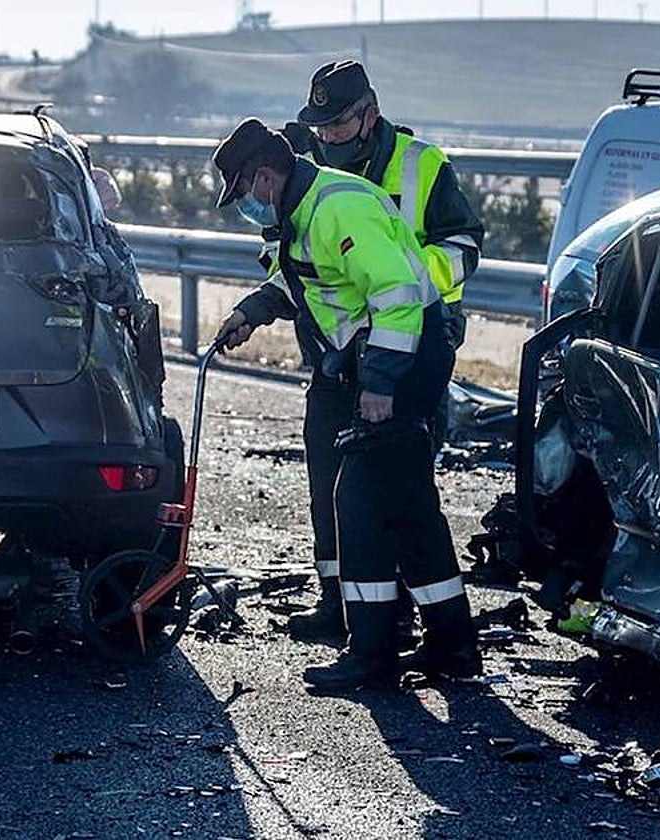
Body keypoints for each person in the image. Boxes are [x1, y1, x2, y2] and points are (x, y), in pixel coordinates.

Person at [211, 118, 479, 690]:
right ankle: (453, 646)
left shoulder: (337, 208)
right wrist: (253, 312)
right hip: (388, 356)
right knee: (409, 504)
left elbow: (398, 297)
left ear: (264, 176)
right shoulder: (304, 211)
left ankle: (373, 654)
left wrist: (380, 384)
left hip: (403, 359)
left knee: (357, 502)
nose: (245, 207)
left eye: (242, 194)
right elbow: (305, 281)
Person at [274, 61, 485, 644]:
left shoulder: (421, 165)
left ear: (369, 112)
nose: (328, 137)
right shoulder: (313, 171)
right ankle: (340, 605)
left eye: (338, 124)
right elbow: (297, 262)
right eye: (319, 127)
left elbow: (465, 245)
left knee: (394, 489)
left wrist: (409, 279)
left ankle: (401, 617)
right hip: (337, 356)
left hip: (408, 350)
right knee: (330, 483)